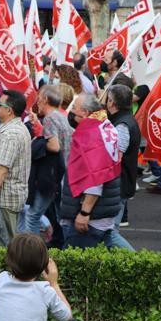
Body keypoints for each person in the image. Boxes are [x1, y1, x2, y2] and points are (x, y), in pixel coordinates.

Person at [0, 233, 119, 321]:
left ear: (9, 259)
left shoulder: (2, 279)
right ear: (43, 264)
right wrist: (54, 283)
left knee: (32, 316)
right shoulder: (45, 290)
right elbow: (67, 317)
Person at [60, 94, 121, 248]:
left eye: (74, 108)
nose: (71, 112)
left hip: (91, 219)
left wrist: (84, 213)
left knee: (76, 266)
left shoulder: (91, 135)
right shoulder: (104, 126)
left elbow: (95, 179)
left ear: (85, 113)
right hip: (101, 213)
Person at [0, 90, 31, 239]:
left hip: (4, 200)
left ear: (9, 110)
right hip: (6, 198)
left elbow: (2, 170)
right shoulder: (12, 129)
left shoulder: (11, 135)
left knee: (5, 246)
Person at [24, 86, 72, 235]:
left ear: (45, 99)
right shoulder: (60, 115)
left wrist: (36, 143)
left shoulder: (50, 118)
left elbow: (54, 146)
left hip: (52, 174)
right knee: (60, 218)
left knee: (33, 216)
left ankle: (33, 251)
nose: (37, 101)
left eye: (39, 97)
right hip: (62, 173)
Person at [106, 84, 140, 251]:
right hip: (121, 182)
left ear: (112, 102)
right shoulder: (123, 120)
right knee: (111, 230)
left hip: (119, 184)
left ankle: (137, 262)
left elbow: (115, 156)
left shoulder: (122, 125)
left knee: (110, 232)